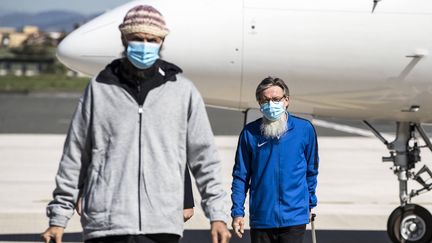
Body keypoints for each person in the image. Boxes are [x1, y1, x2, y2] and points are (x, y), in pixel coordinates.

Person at [41, 5, 231, 243]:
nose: (144, 44)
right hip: (107, 223)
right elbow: (75, 155)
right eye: (137, 38)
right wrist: (59, 217)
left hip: (161, 224)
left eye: (152, 39)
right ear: (124, 39)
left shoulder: (182, 92)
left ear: (161, 42)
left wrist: (217, 215)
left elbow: (205, 158)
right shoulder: (100, 89)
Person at [230, 77, 319, 243]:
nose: (271, 104)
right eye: (265, 100)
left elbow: (311, 171)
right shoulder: (250, 133)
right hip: (262, 217)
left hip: (295, 217)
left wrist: (309, 203)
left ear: (286, 100)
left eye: (276, 99)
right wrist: (237, 212)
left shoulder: (304, 129)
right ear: (259, 103)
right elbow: (241, 176)